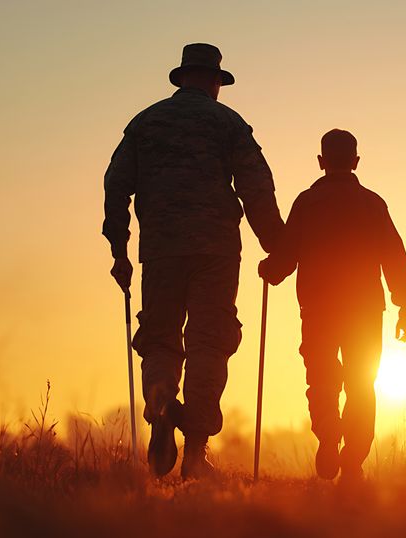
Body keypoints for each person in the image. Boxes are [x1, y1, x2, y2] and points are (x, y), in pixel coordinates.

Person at [103, 43, 284, 479]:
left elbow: (115, 185)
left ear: (182, 78)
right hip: (216, 251)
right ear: (215, 82)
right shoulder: (228, 123)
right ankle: (197, 451)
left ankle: (163, 404)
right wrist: (277, 246)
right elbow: (256, 186)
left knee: (161, 338)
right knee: (210, 341)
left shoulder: (145, 123)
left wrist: (119, 249)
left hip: (161, 250)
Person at [258, 129, 406, 482]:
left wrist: (269, 269)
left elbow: (285, 259)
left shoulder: (307, 203)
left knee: (322, 377)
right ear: (356, 162)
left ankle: (328, 437)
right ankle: (354, 460)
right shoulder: (373, 203)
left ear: (321, 162)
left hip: (318, 308)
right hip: (364, 310)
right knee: (362, 382)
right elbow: (395, 257)